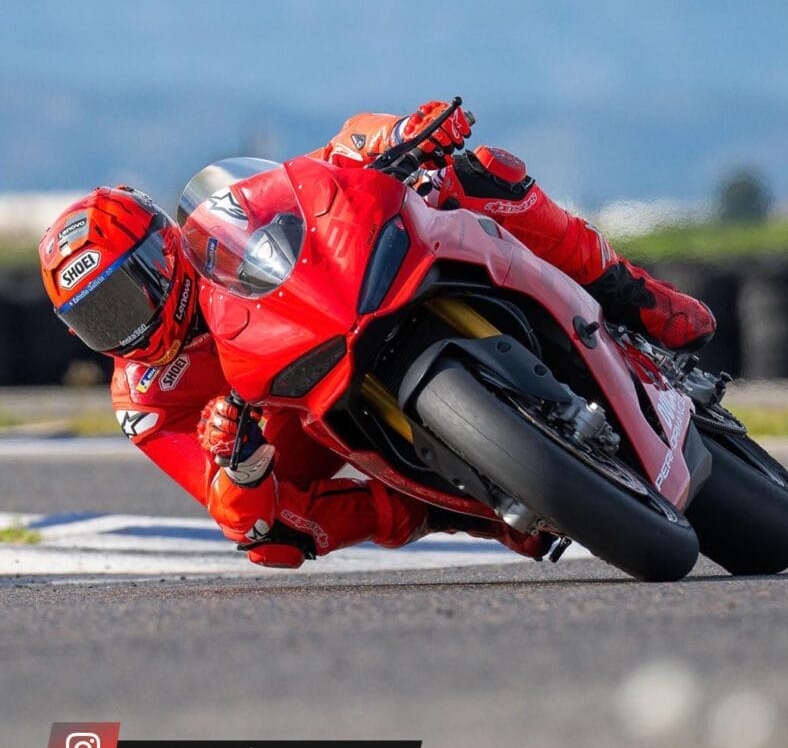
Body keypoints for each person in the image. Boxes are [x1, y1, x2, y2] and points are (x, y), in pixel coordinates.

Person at [38, 101, 715, 569]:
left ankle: (636, 295)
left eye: (122, 299)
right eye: (97, 320)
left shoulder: (223, 224)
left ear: (162, 254)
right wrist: (240, 464)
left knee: (477, 172)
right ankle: (476, 512)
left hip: (336, 300)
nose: (125, 330)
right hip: (288, 406)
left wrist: (398, 134)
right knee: (267, 538)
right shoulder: (145, 398)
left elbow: (324, 162)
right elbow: (227, 507)